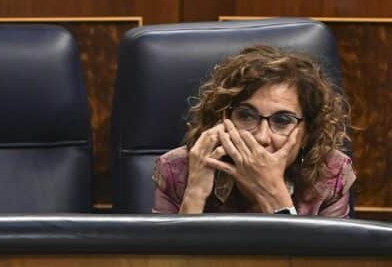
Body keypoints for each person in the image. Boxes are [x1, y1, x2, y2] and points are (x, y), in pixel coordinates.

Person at [152, 45, 356, 217]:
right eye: (246, 116)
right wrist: (195, 193)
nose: (261, 137)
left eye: (282, 120)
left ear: (308, 132)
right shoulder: (178, 169)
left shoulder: (331, 175)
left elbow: (320, 266)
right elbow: (166, 264)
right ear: (222, 120)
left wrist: (275, 195)